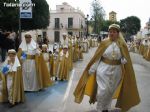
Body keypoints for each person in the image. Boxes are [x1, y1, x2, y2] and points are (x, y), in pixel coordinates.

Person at [74, 24, 140, 112]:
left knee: (110, 91)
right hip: (103, 70)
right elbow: (97, 57)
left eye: (114, 32)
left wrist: (123, 60)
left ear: (117, 33)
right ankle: (100, 108)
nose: (111, 33)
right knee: (102, 91)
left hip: (117, 71)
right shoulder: (104, 42)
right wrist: (92, 69)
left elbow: (124, 57)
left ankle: (106, 108)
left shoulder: (121, 44)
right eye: (110, 32)